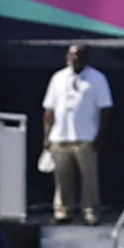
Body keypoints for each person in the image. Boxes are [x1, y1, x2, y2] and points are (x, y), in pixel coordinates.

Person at [38, 40, 115, 224]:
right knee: (63, 177)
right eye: (70, 55)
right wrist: (47, 136)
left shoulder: (97, 79)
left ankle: (90, 213)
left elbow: (105, 108)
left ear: (86, 58)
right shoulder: (58, 77)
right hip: (60, 136)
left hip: (86, 136)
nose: (73, 59)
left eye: (77, 56)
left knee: (89, 177)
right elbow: (49, 109)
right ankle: (63, 212)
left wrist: (101, 136)